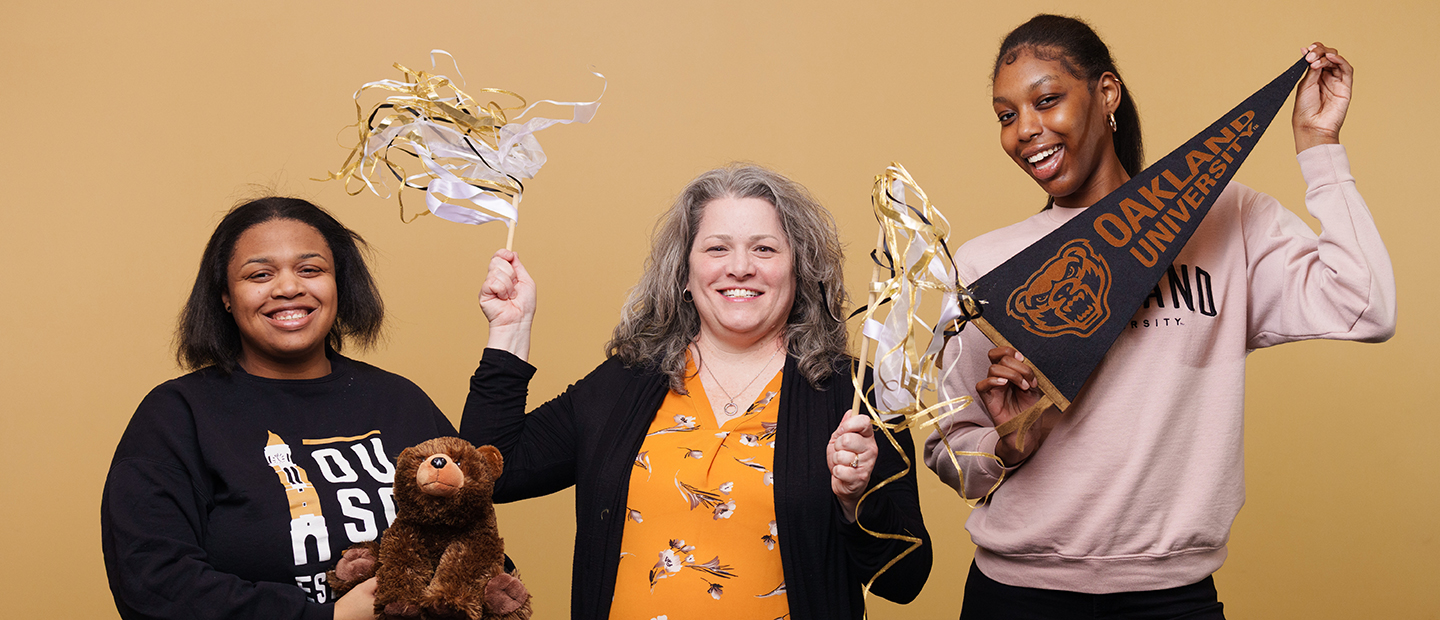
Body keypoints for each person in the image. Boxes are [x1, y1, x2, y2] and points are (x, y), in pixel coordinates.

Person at [923, 14, 1396, 619]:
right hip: (1016, 596)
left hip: (1172, 598)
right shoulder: (987, 265)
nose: (1027, 131)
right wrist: (1009, 445)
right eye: (1006, 115)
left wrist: (1320, 147)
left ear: (1106, 94)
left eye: (1047, 100)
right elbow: (948, 451)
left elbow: (1366, 304)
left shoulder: (1226, 221)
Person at [463, 164, 932, 619]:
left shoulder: (853, 394)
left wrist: (856, 500)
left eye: (765, 249)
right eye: (717, 249)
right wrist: (511, 328)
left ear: (799, 270)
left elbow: (906, 580)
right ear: (685, 273)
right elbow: (488, 474)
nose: (741, 267)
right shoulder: (627, 381)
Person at [102, 197, 458, 620]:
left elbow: (471, 538)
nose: (288, 288)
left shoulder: (400, 401)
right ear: (226, 297)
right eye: (260, 274)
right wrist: (332, 618)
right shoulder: (176, 415)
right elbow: (152, 582)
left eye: (310, 269)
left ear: (338, 284)